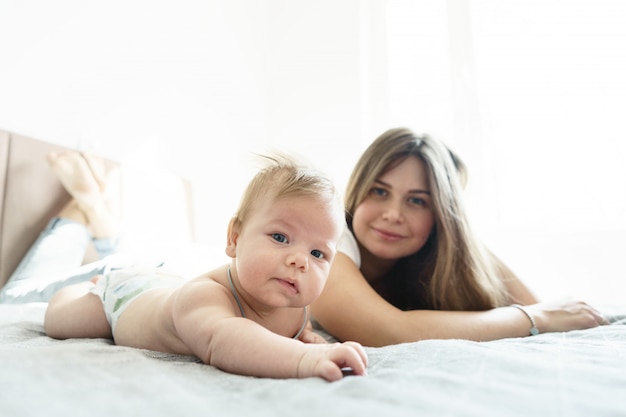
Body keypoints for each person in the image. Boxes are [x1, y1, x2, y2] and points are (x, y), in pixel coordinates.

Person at [6, 150, 368, 381]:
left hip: (164, 278)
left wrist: (304, 335)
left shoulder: (296, 305)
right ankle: (86, 284)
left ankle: (99, 219)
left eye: (318, 254)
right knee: (62, 322)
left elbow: (283, 331)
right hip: (124, 297)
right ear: (235, 238)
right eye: (280, 237)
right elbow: (226, 341)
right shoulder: (204, 299)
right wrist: (305, 358)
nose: (299, 261)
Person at [310, 127, 609, 347]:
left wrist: (454, 237)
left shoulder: (423, 258)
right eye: (380, 191)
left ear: (439, 216)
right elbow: (390, 331)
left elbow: (534, 303)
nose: (392, 214)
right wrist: (535, 319)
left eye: (417, 201)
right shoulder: (326, 238)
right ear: (357, 189)